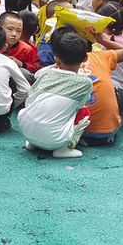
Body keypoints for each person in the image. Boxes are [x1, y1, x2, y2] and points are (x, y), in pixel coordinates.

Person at [18, 27, 95, 158]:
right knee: (84, 112)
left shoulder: (45, 73)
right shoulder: (85, 83)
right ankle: (64, 148)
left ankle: (34, 142)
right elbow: (79, 106)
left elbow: (34, 86)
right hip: (55, 141)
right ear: (85, 58)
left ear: (56, 58)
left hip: (26, 131)